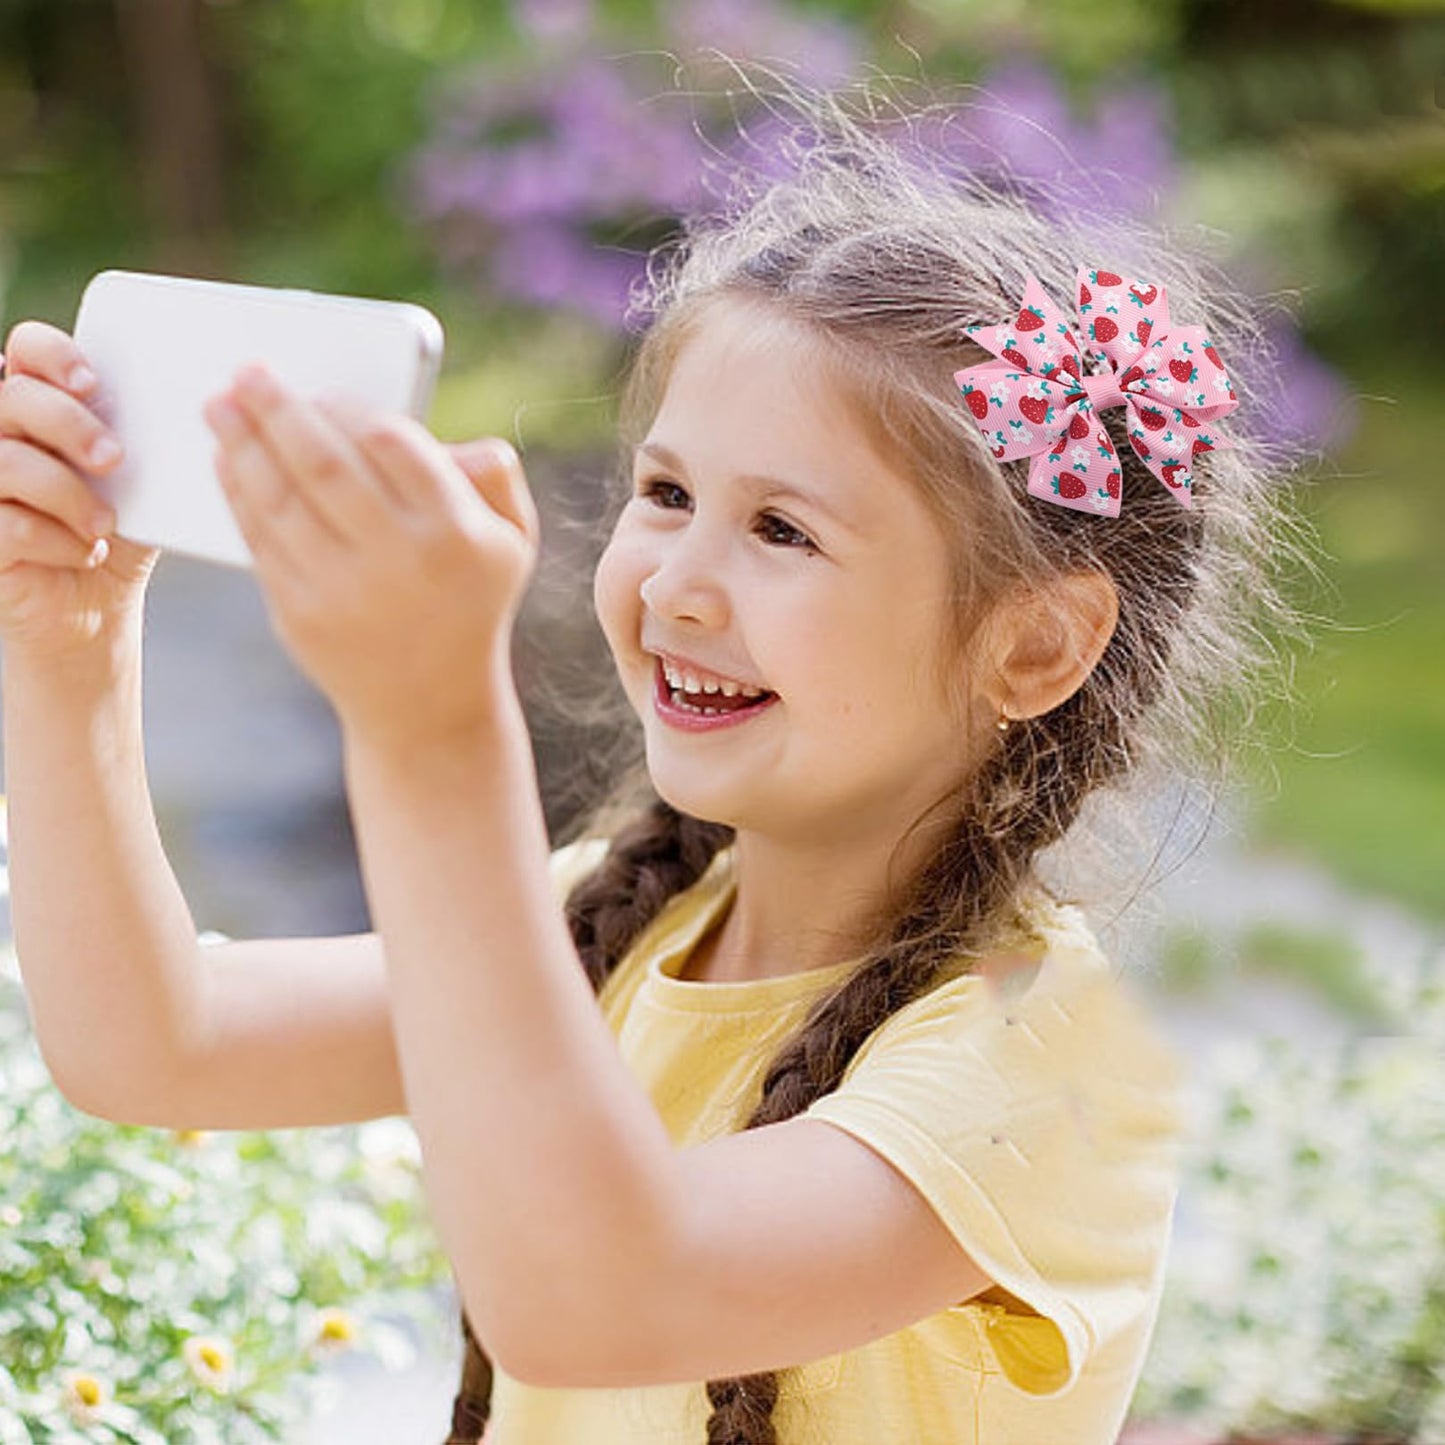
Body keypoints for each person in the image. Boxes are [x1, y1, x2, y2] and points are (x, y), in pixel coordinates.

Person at [0, 81, 1304, 1445]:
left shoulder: (1041, 1063)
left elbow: (595, 1295)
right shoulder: (622, 919)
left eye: (782, 530)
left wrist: (429, 730)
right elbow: (156, 1043)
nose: (678, 582)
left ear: (1033, 647)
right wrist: (68, 639)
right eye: (667, 493)